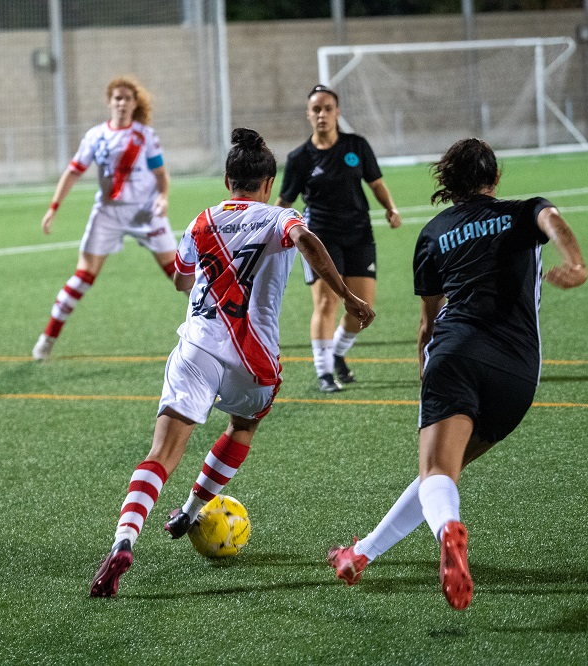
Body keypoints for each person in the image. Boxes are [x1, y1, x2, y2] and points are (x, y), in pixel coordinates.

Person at [89, 128, 375, 599]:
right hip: (253, 362)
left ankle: (123, 541)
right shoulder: (281, 217)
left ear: (227, 180)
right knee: (242, 426)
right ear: (268, 182)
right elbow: (305, 239)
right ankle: (190, 508)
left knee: (161, 454)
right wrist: (346, 296)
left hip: (197, 350)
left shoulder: (201, 222)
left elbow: (181, 282)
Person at [326, 137, 588, 610]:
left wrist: (428, 375)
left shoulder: (433, 234)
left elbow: (428, 323)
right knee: (442, 474)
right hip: (518, 374)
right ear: (496, 178)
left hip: (456, 355)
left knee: (436, 473)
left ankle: (448, 530)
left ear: (448, 184)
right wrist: (576, 263)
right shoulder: (523, 210)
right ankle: (359, 555)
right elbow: (553, 221)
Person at [32, 77, 177, 362]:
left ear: (135, 104)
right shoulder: (95, 135)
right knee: (83, 276)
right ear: (109, 102)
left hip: (144, 211)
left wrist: (163, 197)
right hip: (108, 212)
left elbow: (161, 175)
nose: (122, 103)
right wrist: (54, 207)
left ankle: (223, 330)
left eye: (127, 99)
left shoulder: (145, 135)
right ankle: (47, 339)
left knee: (179, 275)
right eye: (117, 98)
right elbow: (74, 171)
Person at [277, 84, 402, 393]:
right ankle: (324, 373)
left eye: (328, 108)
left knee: (361, 310)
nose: (322, 114)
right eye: (316, 109)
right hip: (319, 237)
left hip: (359, 234)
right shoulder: (299, 158)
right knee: (326, 301)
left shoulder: (356, 146)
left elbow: (375, 182)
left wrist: (390, 208)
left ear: (337, 112)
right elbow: (284, 202)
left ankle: (336, 354)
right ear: (308, 114)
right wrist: (264, 227)